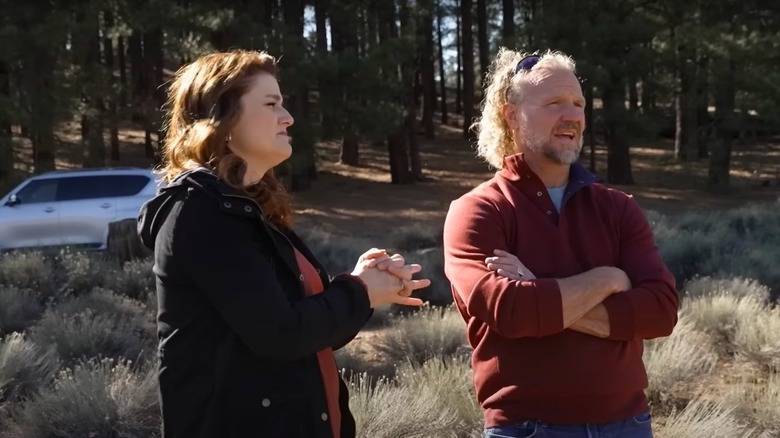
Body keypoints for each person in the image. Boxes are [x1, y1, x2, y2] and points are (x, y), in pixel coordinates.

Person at [137, 50, 430, 438]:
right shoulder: (201, 214)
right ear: (222, 118)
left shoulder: (246, 209)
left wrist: (364, 282)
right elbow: (280, 334)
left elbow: (308, 330)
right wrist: (359, 292)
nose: (288, 117)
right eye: (271, 104)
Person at [442, 48, 679, 438]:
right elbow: (511, 311)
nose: (573, 115)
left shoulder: (619, 209)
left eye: (578, 104)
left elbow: (661, 312)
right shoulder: (478, 212)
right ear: (512, 116)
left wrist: (538, 291)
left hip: (628, 424)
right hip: (526, 427)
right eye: (554, 103)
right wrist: (609, 279)